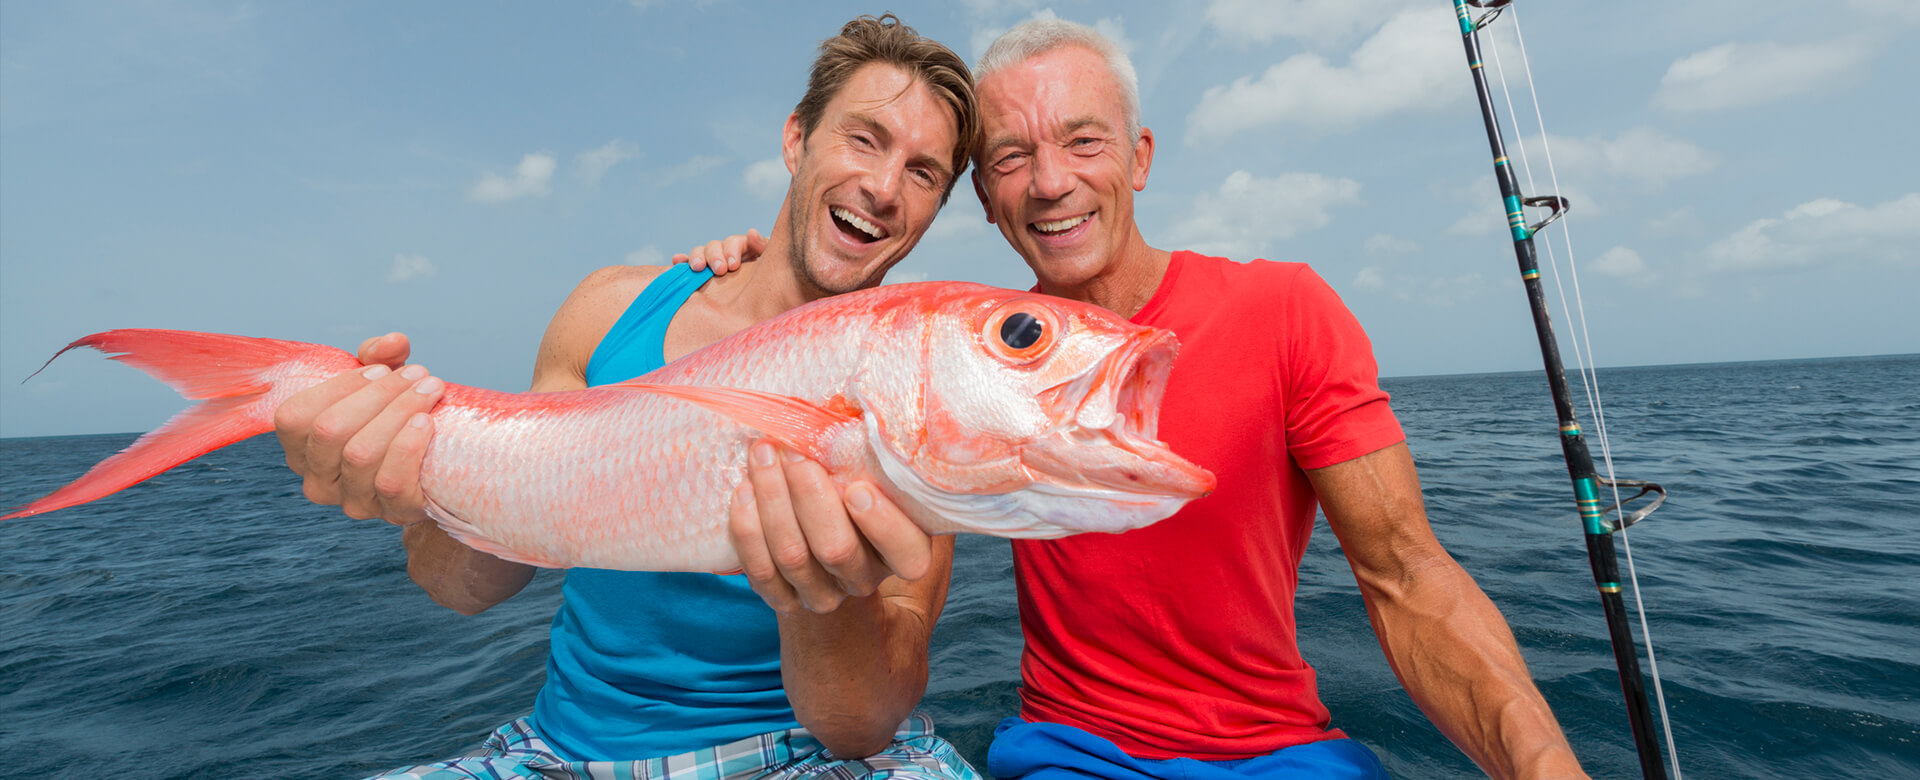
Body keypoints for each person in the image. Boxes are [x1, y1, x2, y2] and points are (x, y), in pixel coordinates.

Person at [680, 17, 1592, 780]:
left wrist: (1546, 765)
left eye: (1084, 141)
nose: (1050, 181)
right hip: (1068, 753)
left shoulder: (1286, 309)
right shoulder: (953, 356)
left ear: (1139, 157)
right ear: (988, 204)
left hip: (1283, 754)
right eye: (1009, 158)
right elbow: (842, 363)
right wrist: (741, 282)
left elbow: (1408, 578)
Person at [270, 15, 987, 780]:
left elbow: (860, 725)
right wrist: (407, 477)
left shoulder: (921, 392)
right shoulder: (609, 310)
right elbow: (458, 586)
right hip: (559, 754)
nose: (882, 188)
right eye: (863, 138)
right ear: (796, 138)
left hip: (802, 757)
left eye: (923, 173)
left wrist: (828, 592)